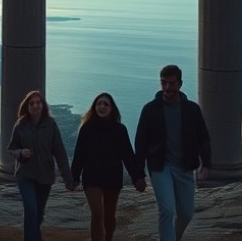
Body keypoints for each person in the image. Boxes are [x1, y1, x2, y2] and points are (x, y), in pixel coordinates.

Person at [134, 64, 212, 241]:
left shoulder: (192, 110)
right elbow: (140, 143)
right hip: (160, 167)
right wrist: (138, 175)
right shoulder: (150, 110)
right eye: (164, 83)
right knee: (167, 210)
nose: (167, 87)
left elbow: (203, 138)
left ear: (180, 84)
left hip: (185, 167)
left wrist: (206, 165)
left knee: (186, 213)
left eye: (171, 83)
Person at [71, 92, 146, 241]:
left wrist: (138, 177)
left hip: (112, 178)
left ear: (112, 108)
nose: (102, 106)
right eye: (99, 104)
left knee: (109, 215)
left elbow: (128, 156)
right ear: (94, 107)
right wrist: (73, 177)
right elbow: (79, 155)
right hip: (91, 178)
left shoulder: (120, 130)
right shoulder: (86, 129)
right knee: (97, 214)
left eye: (106, 104)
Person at [7, 90, 76, 241]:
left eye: (38, 103)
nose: (35, 106)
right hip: (25, 175)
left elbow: (60, 152)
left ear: (43, 105)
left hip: (45, 177)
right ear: (27, 106)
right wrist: (21, 153)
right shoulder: (21, 125)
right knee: (31, 210)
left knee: (38, 214)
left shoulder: (51, 125)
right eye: (32, 103)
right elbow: (12, 148)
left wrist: (68, 179)